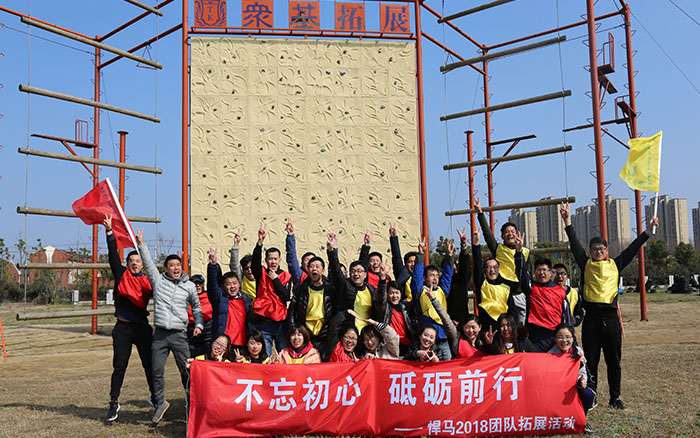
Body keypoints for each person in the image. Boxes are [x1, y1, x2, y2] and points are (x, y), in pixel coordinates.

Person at [560, 202, 658, 410]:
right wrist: (567, 221)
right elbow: (575, 244)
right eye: (594, 249)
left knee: (614, 361)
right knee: (591, 361)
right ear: (590, 251)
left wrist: (647, 232)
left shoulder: (615, 264)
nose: (598, 252)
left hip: (611, 319)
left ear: (606, 251)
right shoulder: (585, 264)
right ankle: (591, 396)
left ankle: (615, 398)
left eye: (601, 249)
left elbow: (632, 249)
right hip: (592, 319)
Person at [137, 229, 203, 424]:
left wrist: (198, 324)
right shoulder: (158, 282)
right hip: (160, 334)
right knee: (156, 370)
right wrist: (141, 244)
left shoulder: (189, 286)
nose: (175, 268)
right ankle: (160, 403)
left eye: (178, 265)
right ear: (165, 269)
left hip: (179, 335)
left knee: (186, 371)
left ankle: (192, 404)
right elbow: (148, 264)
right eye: (171, 265)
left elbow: (197, 307)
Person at [103, 215, 155, 423]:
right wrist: (109, 232)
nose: (134, 264)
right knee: (119, 366)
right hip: (122, 329)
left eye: (138, 261)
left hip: (142, 329)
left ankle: (156, 398)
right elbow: (112, 255)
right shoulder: (121, 275)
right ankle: (113, 403)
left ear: (143, 264)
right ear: (127, 264)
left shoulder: (149, 281)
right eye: (131, 261)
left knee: (149, 365)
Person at [516, 234, 573, 352]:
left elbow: (567, 317)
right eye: (538, 270)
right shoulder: (531, 288)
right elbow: (522, 273)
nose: (542, 273)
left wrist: (571, 338)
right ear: (535, 272)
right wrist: (519, 252)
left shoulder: (560, 291)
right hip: (535, 335)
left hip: (555, 335)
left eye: (544, 270)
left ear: (551, 273)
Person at [475, 197, 528, 325]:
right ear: (502, 236)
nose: (510, 234)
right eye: (506, 232)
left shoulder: (525, 251)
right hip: (503, 292)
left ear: (517, 234)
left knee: (521, 326)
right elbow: (488, 234)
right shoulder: (498, 248)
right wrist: (480, 214)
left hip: (519, 293)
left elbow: (526, 273)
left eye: (512, 231)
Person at [250, 223, 293, 356]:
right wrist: (259, 243)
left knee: (283, 355)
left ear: (279, 260)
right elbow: (255, 263)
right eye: (270, 259)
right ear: (266, 260)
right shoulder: (261, 273)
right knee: (265, 355)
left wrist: (275, 280)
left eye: (275, 259)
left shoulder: (286, 276)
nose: (273, 262)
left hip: (280, 322)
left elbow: (285, 296)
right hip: (264, 321)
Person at [326, 231, 381, 332]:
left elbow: (362, 262)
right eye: (353, 271)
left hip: (367, 332)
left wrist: (366, 245)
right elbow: (335, 269)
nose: (356, 274)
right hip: (349, 332)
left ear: (365, 275)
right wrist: (331, 250)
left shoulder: (371, 289)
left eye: (359, 271)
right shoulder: (345, 286)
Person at [411, 237, 455, 361]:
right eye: (431, 275)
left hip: (442, 337)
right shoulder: (420, 290)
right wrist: (421, 254)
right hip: (427, 339)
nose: (435, 278)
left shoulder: (442, 290)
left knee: (447, 363)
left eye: (436, 276)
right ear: (425, 278)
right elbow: (417, 277)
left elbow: (447, 276)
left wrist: (449, 256)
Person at [547, 324, 596, 435]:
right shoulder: (550, 355)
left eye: (568, 337)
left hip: (573, 388)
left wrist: (582, 381)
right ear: (555, 339)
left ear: (573, 338)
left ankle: (582, 420)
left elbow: (583, 373)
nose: (564, 341)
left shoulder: (578, 352)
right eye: (560, 337)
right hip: (556, 391)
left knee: (588, 394)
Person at [288, 249, 335, 359]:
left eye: (317, 266)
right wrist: (294, 330)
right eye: (311, 266)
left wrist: (333, 250)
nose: (314, 269)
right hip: (305, 334)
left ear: (323, 270)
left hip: (324, 335)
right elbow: (292, 311)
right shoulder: (301, 289)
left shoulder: (330, 290)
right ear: (307, 270)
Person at [472, 230, 520, 333]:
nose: (492, 270)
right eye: (488, 267)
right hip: (487, 329)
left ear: (499, 270)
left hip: (504, 329)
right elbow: (477, 267)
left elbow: (512, 311)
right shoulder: (482, 284)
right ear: (485, 270)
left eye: (495, 267)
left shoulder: (506, 288)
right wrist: (476, 244)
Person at [207, 248, 252, 350]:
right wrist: (213, 266)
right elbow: (213, 286)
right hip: (224, 344)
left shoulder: (246, 300)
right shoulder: (220, 299)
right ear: (223, 286)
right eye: (228, 284)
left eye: (235, 283)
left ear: (239, 284)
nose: (232, 286)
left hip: (243, 344)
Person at [376, 279, 416, 357]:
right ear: (387, 294)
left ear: (401, 294)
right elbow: (380, 297)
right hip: (390, 345)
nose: (394, 296)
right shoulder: (384, 308)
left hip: (406, 345)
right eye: (391, 293)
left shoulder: (405, 308)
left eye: (397, 293)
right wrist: (383, 279)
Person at [388, 222, 417, 302]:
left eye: (415, 262)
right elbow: (396, 257)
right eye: (410, 262)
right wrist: (393, 238)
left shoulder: (422, 276)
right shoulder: (402, 273)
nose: (413, 264)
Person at [187, 274, 213, 358]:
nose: (198, 286)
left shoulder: (210, 296)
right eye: (195, 284)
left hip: (208, 336)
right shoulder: (186, 299)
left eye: (200, 283)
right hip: (192, 335)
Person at [285, 217, 315, 286]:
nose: (310, 262)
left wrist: (332, 249)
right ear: (302, 264)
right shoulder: (299, 276)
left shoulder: (322, 279)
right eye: (307, 260)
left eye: (312, 260)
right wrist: (290, 235)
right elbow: (292, 258)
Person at [228, 229, 256, 301]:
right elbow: (234, 265)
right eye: (246, 268)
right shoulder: (241, 279)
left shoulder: (262, 279)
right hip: (247, 307)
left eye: (251, 267)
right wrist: (236, 244)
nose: (249, 270)